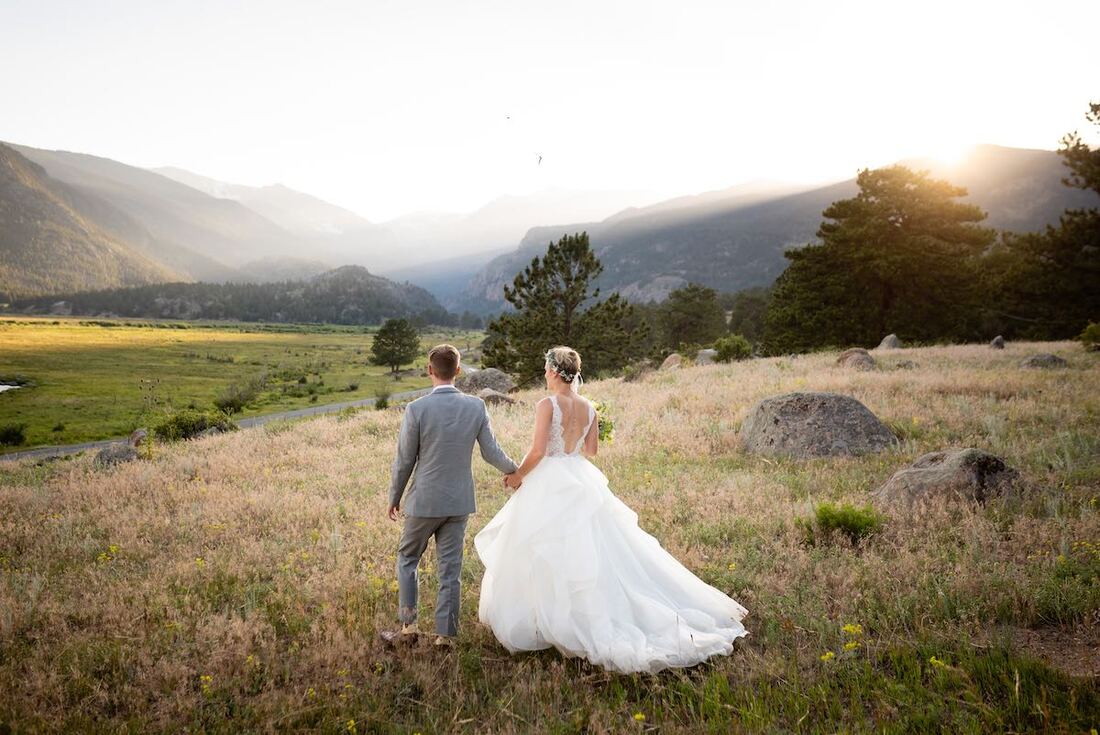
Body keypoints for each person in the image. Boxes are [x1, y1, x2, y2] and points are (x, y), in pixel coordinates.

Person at [474, 346, 748, 673]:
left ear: (555, 372)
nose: (545, 374)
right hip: (579, 476)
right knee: (592, 546)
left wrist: (518, 475)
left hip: (551, 478)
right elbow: (590, 450)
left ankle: (548, 620)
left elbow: (538, 450)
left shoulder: (547, 405)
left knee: (543, 545)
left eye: (546, 369)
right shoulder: (589, 407)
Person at [386, 344, 519, 647]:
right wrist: (517, 471)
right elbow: (492, 453)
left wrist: (394, 496)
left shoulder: (416, 409)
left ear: (429, 370)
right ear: (458, 370)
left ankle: (408, 627)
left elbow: (404, 460)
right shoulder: (476, 407)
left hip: (423, 502)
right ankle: (445, 636)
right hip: (458, 502)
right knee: (450, 570)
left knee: (408, 559)